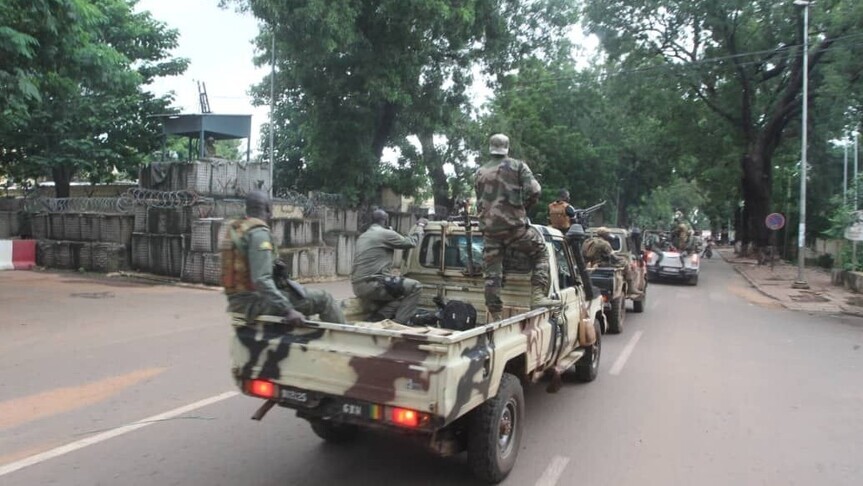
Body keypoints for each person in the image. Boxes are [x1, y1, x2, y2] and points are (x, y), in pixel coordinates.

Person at [220, 190, 346, 326]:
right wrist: (287, 310)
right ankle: (347, 341)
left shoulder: (237, 229)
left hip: (237, 301)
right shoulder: (259, 234)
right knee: (324, 299)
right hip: (254, 303)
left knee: (298, 297)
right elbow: (261, 280)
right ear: (269, 209)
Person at [474, 133, 555, 321]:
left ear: (490, 148)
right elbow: (535, 190)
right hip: (515, 230)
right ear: (507, 147)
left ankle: (495, 315)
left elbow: (481, 201)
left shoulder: (479, 172)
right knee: (541, 252)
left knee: (492, 274)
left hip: (490, 232)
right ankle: (537, 295)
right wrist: (524, 208)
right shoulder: (518, 166)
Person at [351, 209, 428, 324]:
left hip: (357, 286)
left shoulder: (363, 236)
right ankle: (398, 324)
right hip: (374, 284)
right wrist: (420, 226)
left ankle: (378, 318)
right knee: (415, 287)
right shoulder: (385, 234)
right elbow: (411, 242)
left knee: (400, 296)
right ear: (385, 221)